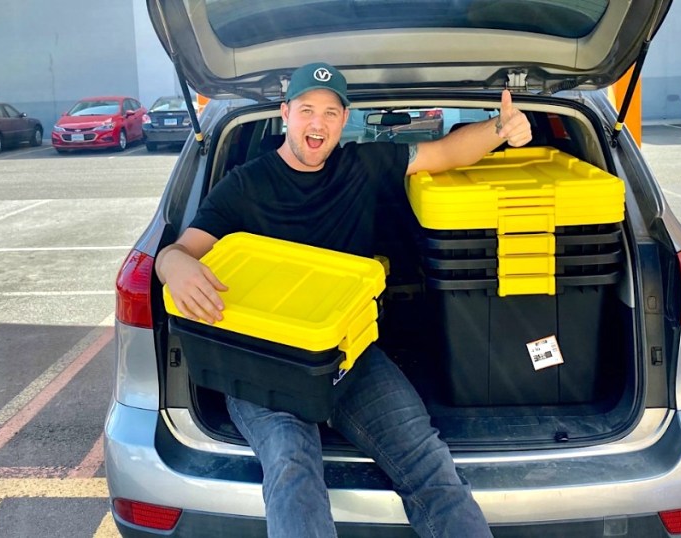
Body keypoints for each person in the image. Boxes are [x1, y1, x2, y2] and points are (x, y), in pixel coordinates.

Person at [156, 62, 532, 538]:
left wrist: (500, 127)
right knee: (292, 465)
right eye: (307, 110)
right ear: (285, 113)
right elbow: (178, 252)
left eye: (331, 113)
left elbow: (444, 153)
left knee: (429, 462)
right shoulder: (245, 186)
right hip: (263, 367)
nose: (318, 124)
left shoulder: (362, 164)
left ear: (343, 120)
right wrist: (174, 265)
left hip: (350, 357)